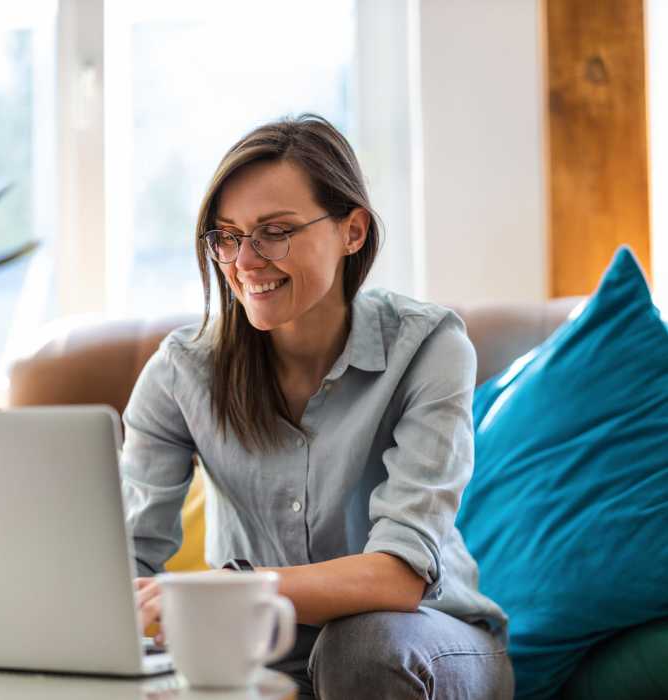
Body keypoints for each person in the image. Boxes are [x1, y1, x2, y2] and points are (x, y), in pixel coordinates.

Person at [122, 114, 513, 699]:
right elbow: (127, 559)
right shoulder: (182, 372)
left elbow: (399, 574)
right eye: (226, 236)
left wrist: (235, 591)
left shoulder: (429, 348)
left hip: (430, 641)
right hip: (259, 654)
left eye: (274, 231)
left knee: (360, 647)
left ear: (352, 231)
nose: (244, 261)